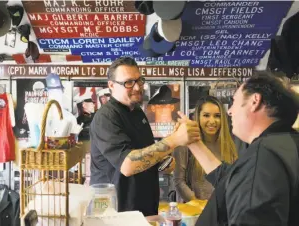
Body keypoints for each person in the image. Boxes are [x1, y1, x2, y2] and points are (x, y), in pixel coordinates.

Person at [179, 72, 299, 226]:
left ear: (255, 101)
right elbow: (232, 180)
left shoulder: (263, 155)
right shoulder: (285, 145)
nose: (229, 111)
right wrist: (194, 143)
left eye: (234, 101)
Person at [89, 57, 200, 216]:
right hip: (116, 215)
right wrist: (174, 140)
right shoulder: (106, 117)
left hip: (144, 210)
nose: (137, 87)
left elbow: (144, 154)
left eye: (139, 80)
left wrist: (164, 161)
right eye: (128, 82)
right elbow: (127, 165)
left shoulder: (137, 112)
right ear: (111, 85)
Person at [173, 96, 237, 202]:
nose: (212, 121)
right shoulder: (186, 143)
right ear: (198, 117)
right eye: (206, 115)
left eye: (217, 116)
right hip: (195, 212)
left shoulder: (231, 144)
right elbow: (179, 181)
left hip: (224, 210)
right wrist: (198, 204)